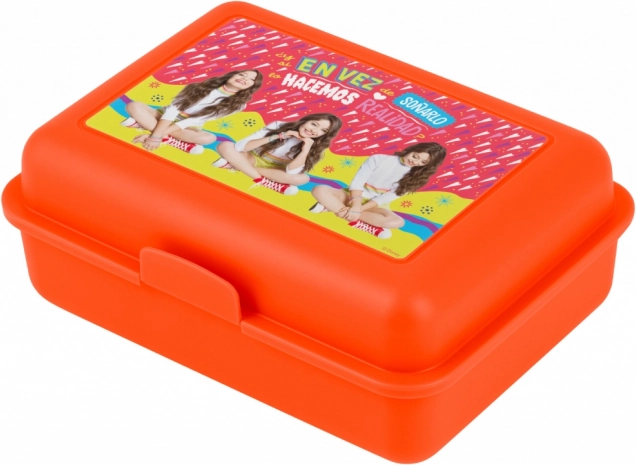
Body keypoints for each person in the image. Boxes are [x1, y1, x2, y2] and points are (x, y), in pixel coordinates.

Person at [310, 142, 446, 239]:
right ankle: (358, 222)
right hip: (352, 196)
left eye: (423, 162)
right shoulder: (379, 159)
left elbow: (385, 198)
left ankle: (334, 209)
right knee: (319, 189)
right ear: (411, 150)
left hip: (374, 205)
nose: (415, 162)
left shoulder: (415, 177)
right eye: (415, 156)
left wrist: (359, 210)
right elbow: (357, 182)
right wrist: (355, 205)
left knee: (397, 222)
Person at [121, 70, 263, 154]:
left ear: (252, 86)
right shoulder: (201, 86)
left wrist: (154, 136)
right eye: (242, 74)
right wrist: (155, 137)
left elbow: (193, 121)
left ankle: (150, 129)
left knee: (209, 138)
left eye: (251, 79)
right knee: (134, 106)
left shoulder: (238, 105)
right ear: (231, 75)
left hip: (187, 126)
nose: (244, 78)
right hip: (163, 115)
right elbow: (172, 110)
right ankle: (169, 139)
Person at [212, 113, 342, 195]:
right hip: (253, 158)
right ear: (305, 120)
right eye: (314, 124)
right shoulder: (279, 125)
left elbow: (292, 172)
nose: (314, 130)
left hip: (275, 170)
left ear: (325, 135)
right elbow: (240, 147)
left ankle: (238, 166)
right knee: (226, 146)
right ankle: (262, 180)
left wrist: (306, 149)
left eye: (323, 130)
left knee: (303, 179)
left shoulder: (316, 146)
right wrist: (279, 136)